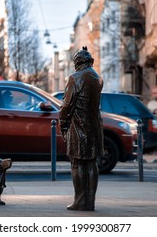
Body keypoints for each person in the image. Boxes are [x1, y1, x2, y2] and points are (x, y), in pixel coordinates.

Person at [59, 46, 104, 211]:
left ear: (77, 62)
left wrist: (63, 125)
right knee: (91, 163)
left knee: (77, 163)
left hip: (78, 127)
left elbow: (67, 106)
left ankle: (79, 200)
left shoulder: (75, 78)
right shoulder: (98, 78)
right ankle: (90, 202)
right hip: (94, 127)